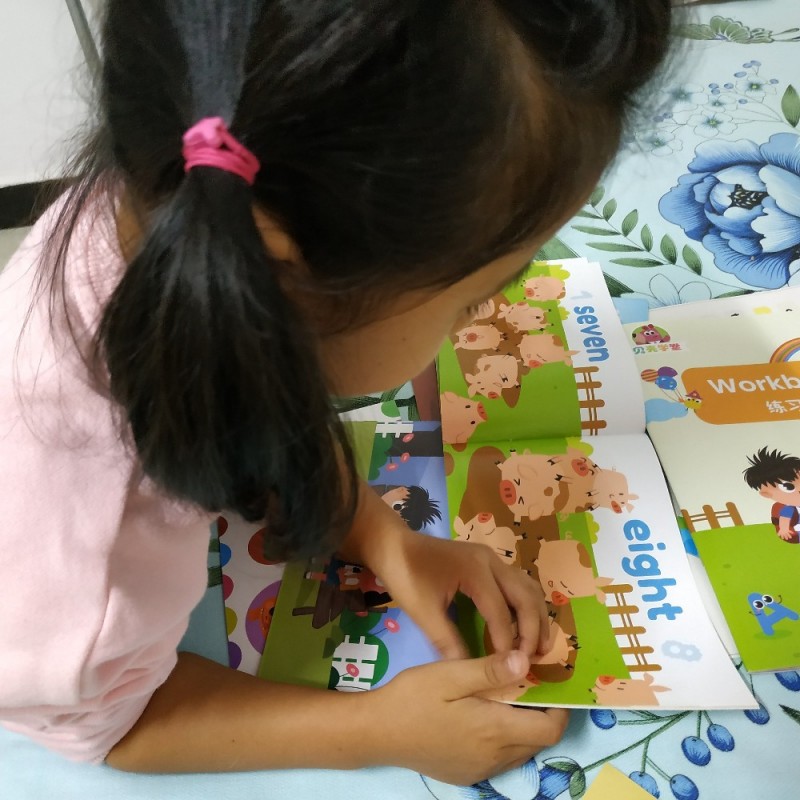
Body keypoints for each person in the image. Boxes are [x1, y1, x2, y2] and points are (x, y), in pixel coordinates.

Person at [0, 0, 672, 787]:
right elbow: (115, 726)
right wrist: (375, 730)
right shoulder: (76, 569)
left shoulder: (180, 191)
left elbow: (268, 372)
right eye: (472, 299)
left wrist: (383, 537)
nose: (484, 318)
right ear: (290, 273)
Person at [744, 447, 800, 543]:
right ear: (767, 494)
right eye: (789, 487)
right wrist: (784, 529)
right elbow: (784, 520)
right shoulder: (789, 509)